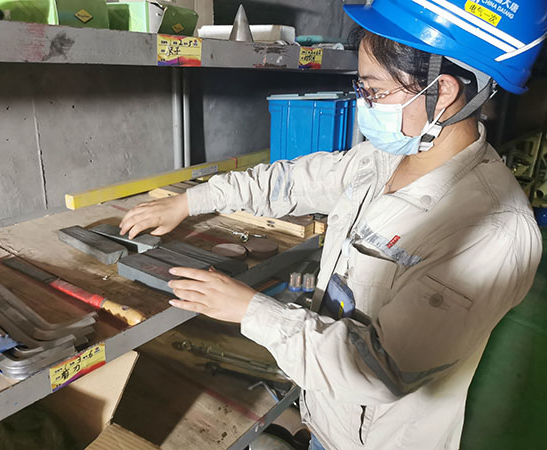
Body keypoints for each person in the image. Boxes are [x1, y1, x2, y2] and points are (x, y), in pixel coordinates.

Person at [120, 1, 546, 448]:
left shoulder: (495, 231)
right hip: (325, 417)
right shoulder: (383, 158)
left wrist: (250, 310)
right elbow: (289, 181)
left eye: (374, 91)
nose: (364, 104)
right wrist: (189, 201)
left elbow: (381, 371)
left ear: (441, 92)